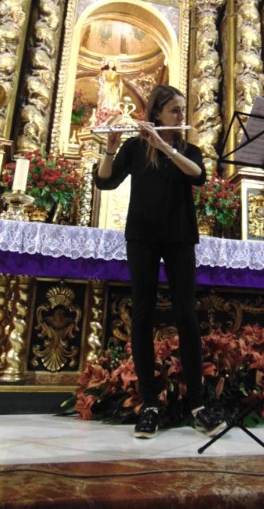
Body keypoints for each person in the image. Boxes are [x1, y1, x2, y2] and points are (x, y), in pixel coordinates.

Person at [93, 85, 226, 439]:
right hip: (142, 237)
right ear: (157, 114)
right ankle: (149, 403)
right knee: (143, 315)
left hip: (180, 236)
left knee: (186, 316)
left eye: (183, 110)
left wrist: (165, 144)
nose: (182, 117)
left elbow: (197, 176)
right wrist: (109, 149)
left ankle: (198, 404)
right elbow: (105, 182)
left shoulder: (188, 149)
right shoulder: (135, 147)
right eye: (175, 111)